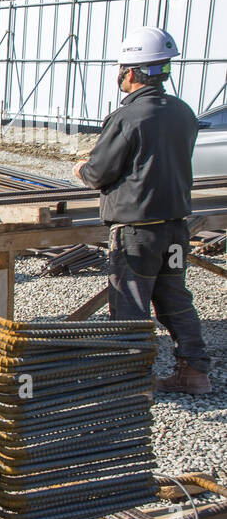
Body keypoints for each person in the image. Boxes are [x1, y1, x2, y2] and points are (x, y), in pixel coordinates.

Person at [74, 25, 210, 395]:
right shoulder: (182, 112)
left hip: (136, 231)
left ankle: (135, 384)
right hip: (176, 228)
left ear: (131, 72)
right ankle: (195, 372)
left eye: (121, 68)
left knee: (130, 305)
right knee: (176, 299)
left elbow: (100, 172)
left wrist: (82, 169)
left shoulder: (128, 117)